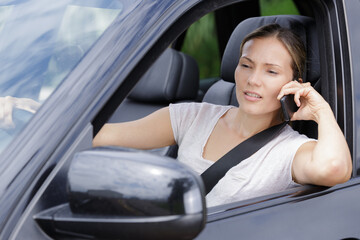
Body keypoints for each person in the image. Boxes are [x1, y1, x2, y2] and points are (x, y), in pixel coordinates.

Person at [95, 23, 352, 207]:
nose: (253, 80)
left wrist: (321, 111)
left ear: (293, 83)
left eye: (271, 72)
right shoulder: (193, 116)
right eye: (246, 65)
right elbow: (103, 136)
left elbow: (334, 168)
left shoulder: (290, 150)